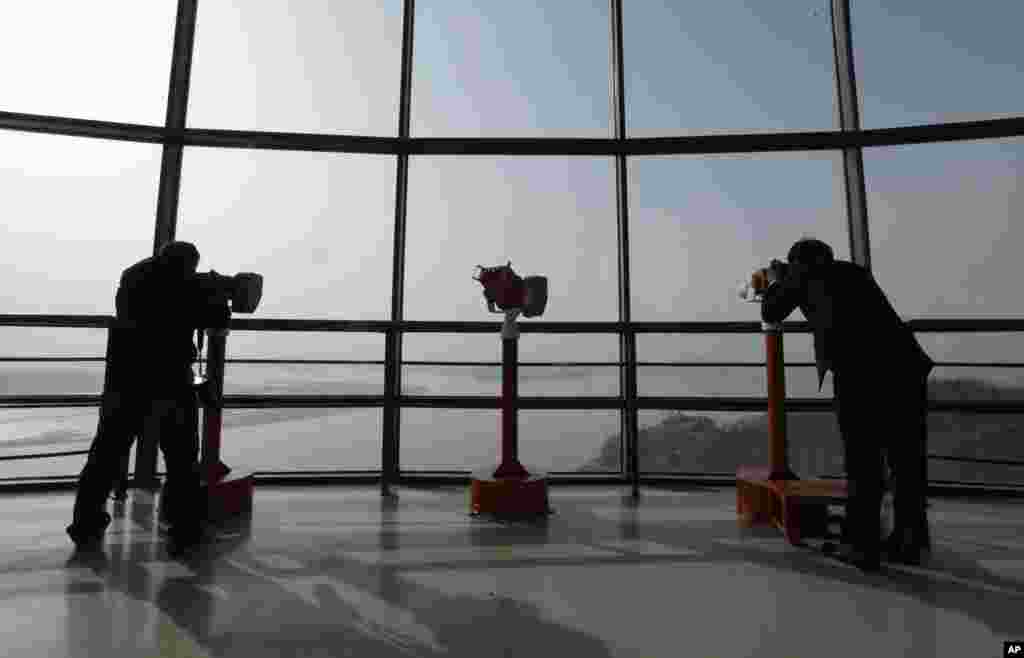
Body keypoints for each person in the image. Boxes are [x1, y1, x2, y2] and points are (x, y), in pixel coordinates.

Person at [760, 238, 933, 572]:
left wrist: (777, 279)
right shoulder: (853, 272)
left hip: (860, 373)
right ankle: (910, 540)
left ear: (798, 261)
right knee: (906, 460)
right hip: (906, 368)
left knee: (863, 460)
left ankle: (861, 545)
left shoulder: (801, 274)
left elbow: (772, 310)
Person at [68, 241, 230, 554]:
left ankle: (86, 523)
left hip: (125, 380)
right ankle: (184, 526)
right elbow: (217, 321)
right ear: (189, 262)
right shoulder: (187, 284)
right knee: (182, 459)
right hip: (170, 381)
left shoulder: (132, 277)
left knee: (106, 454)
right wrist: (217, 296)